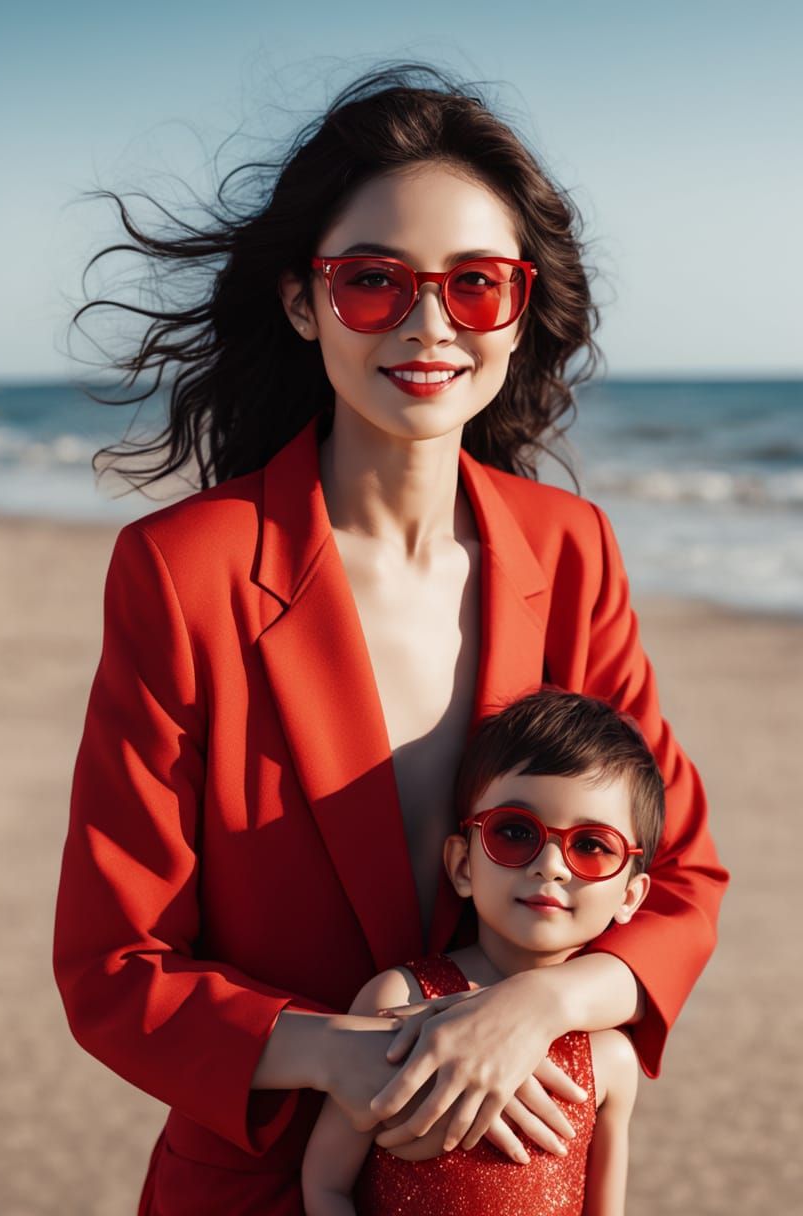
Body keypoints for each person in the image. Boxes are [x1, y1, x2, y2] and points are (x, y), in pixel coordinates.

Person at [53, 64, 728, 1216]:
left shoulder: (571, 553)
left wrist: (539, 1005)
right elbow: (116, 966)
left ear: (519, 308)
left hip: (523, 1182)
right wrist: (351, 1054)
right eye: (373, 282)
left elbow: (677, 875)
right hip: (263, 1189)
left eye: (475, 284)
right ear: (302, 302)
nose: (428, 325)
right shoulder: (184, 571)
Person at [302, 689, 664, 1216]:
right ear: (463, 865)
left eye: (591, 845)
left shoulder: (611, 1059)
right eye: (515, 833)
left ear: (630, 895)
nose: (551, 865)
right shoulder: (398, 1000)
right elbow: (325, 1183)